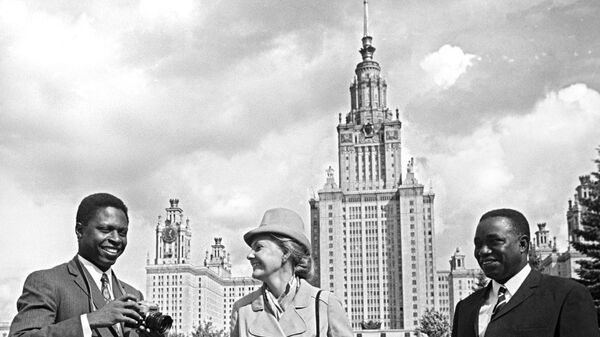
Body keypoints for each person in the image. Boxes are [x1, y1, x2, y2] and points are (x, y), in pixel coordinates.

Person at [9, 193, 162, 337]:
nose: (116, 239)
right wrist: (89, 321)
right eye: (105, 230)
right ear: (79, 230)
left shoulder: (132, 294)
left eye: (122, 232)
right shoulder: (46, 282)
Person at [452, 208, 600, 337]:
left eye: (494, 241)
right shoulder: (465, 308)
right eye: (478, 244)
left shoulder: (566, 296)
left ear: (522, 244)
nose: (483, 251)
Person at [230, 208, 352, 337]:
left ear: (286, 252)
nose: (249, 255)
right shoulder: (242, 309)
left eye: (259, 248)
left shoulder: (324, 304)